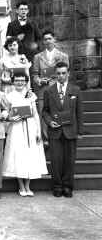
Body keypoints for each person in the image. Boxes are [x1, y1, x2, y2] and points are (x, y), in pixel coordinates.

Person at [2, 73, 48, 196]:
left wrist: (38, 131)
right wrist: (10, 118)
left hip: (30, 126)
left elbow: (35, 114)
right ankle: (21, 186)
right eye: (17, 80)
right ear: (13, 82)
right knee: (19, 155)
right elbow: (5, 113)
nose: (20, 83)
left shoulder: (31, 95)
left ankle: (28, 186)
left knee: (29, 155)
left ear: (26, 82)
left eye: (22, 80)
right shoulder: (9, 96)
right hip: (16, 128)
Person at [42, 62, 84, 198]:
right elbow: (45, 111)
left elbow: (80, 112)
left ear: (68, 74)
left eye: (63, 73)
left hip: (70, 130)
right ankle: (57, 186)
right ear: (55, 74)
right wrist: (49, 122)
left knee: (69, 160)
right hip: (55, 131)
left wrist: (80, 131)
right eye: (58, 73)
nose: (61, 76)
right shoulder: (49, 90)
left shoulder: (75, 90)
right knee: (56, 160)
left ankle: (68, 186)